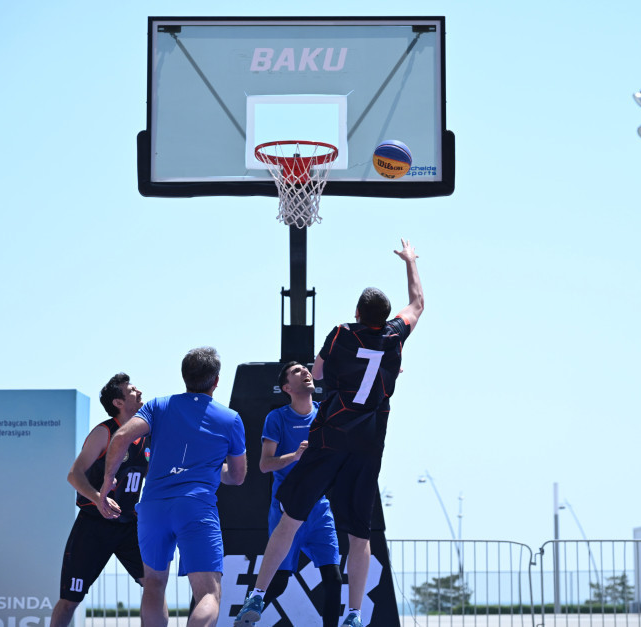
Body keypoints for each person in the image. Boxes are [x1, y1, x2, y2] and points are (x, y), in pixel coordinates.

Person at [236, 238, 423, 627]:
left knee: (289, 519)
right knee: (359, 536)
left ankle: (257, 594)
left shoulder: (342, 334)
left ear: (357, 312)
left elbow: (318, 372)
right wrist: (410, 261)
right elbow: (418, 303)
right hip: (366, 448)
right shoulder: (395, 337)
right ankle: (354, 614)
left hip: (329, 440)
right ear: (386, 315)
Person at [100, 347, 247, 627]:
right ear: (216, 381)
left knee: (154, 584)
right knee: (208, 593)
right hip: (195, 507)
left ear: (184, 376)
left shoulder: (158, 406)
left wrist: (108, 481)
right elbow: (237, 476)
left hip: (153, 508)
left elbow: (119, 438)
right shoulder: (230, 419)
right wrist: (213, 470)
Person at [50, 373, 151, 627]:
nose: (139, 391)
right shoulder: (104, 432)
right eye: (132, 389)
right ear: (118, 402)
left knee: (154, 586)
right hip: (94, 525)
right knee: (70, 600)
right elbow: (74, 474)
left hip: (129, 525)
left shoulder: (147, 434)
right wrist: (98, 498)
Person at [258, 362, 342, 627]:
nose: (305, 372)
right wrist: (295, 456)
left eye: (306, 369)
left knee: (334, 579)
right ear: (286, 388)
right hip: (286, 512)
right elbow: (264, 464)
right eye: (296, 371)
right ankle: (246, 617)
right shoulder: (277, 418)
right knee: (279, 582)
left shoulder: (324, 414)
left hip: (318, 510)